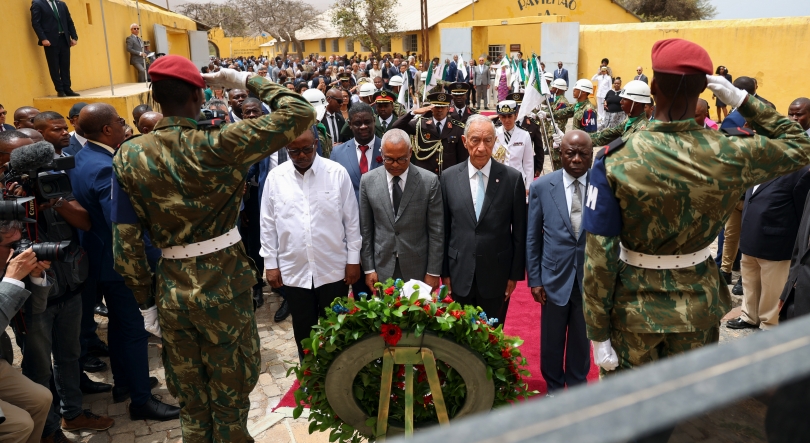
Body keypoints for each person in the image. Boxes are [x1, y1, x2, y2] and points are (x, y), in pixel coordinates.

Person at [582, 39, 810, 403]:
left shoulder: (614, 160)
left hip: (632, 312)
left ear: (653, 88)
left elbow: (599, 257)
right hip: (698, 309)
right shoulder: (729, 151)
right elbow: (801, 144)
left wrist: (598, 331)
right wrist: (742, 101)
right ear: (705, 89)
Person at [111, 56, 316, 441]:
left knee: (192, 402)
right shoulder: (223, 142)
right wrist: (241, 78)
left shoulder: (129, 154)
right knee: (229, 400)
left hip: (172, 291)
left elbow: (125, 245)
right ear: (197, 93)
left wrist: (145, 303)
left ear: (155, 97)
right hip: (224, 287)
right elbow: (300, 112)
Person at [71, 103, 180, 421]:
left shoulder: (85, 157)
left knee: (120, 328)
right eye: (120, 121)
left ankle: (126, 384)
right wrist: (151, 259)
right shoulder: (106, 166)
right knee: (132, 330)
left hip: (101, 259)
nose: (124, 126)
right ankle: (141, 402)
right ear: (107, 129)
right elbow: (122, 224)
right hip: (119, 265)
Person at [259, 127, 360, 359]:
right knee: (304, 331)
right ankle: (309, 379)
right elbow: (268, 223)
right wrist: (271, 264)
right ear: (286, 148)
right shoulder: (276, 178)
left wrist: (353, 260)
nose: (301, 155)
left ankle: (336, 380)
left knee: (335, 329)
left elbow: (352, 222)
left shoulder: (336, 173)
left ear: (316, 143)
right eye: (294, 151)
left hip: (333, 270)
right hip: (294, 270)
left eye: (306, 149)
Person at [441, 115, 527, 327]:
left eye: (488, 140)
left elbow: (519, 232)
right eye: (475, 140)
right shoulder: (448, 178)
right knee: (459, 342)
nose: (481, 147)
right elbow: (442, 229)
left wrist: (514, 274)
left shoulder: (512, 179)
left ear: (495, 141)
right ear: (464, 141)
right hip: (459, 273)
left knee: (492, 340)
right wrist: (444, 271)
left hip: (496, 275)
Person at [527, 130, 593, 395]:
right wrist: (535, 279)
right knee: (552, 340)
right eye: (570, 153)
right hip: (553, 279)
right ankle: (554, 387)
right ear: (559, 154)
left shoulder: (603, 185)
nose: (576, 159)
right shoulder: (543, 187)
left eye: (583, 154)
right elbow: (533, 237)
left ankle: (577, 388)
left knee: (582, 339)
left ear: (591, 156)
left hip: (589, 280)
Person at [727, 163, 810, 330]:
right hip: (751, 236)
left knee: (772, 288)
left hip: (777, 243)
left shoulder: (799, 171)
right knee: (750, 282)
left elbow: (803, 212)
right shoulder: (759, 167)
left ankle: (769, 324)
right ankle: (749, 316)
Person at [359, 129, 443, 288]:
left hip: (418, 267)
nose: (395, 165)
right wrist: (369, 268)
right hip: (382, 267)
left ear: (410, 152)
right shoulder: (368, 181)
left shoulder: (429, 181)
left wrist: (433, 272)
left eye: (402, 159)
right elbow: (366, 229)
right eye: (389, 159)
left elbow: (436, 231)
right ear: (381, 153)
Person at [0, 213, 53, 443]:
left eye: (22, 243)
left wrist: (35, 276)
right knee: (19, 424)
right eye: (13, 246)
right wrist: (11, 281)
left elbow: (34, 312)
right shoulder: (8, 273)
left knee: (41, 399)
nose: (22, 251)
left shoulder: (5, 266)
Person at [391, 92, 467, 176]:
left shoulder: (458, 128)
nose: (440, 110)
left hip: (449, 176)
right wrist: (413, 113)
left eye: (443, 107)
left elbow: (462, 157)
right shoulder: (421, 124)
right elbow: (396, 127)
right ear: (431, 108)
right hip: (425, 176)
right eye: (436, 107)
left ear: (448, 108)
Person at [31, 0, 79, 97]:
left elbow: (69, 21)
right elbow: (36, 23)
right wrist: (43, 38)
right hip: (50, 41)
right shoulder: (38, 3)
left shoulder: (61, 4)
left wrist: (74, 37)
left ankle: (67, 88)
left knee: (65, 65)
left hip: (64, 39)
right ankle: (60, 90)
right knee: (54, 66)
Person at [589, 80, 651, 147]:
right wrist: (584, 138)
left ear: (636, 103)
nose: (621, 102)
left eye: (625, 99)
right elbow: (610, 134)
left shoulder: (642, 129)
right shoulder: (630, 120)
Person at [493, 100, 533, 193]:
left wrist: (528, 185)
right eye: (503, 116)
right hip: (498, 180)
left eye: (510, 116)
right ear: (499, 116)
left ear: (516, 115)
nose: (506, 120)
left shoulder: (524, 135)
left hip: (518, 180)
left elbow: (528, 163)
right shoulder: (493, 133)